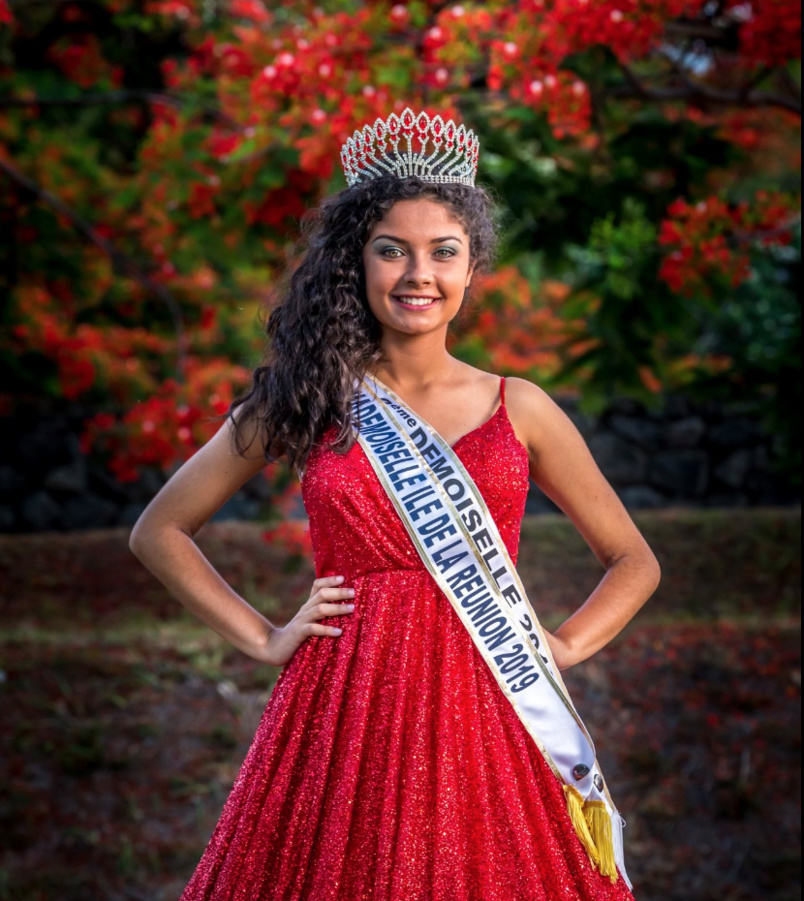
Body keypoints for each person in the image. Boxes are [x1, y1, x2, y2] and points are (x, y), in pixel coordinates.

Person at [129, 109, 661, 901]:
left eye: (443, 251)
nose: (419, 274)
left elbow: (635, 560)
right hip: (343, 703)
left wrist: (567, 644)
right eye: (392, 250)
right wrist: (267, 636)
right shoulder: (308, 398)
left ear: (473, 264)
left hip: (489, 694)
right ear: (358, 261)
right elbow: (159, 530)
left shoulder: (522, 405)